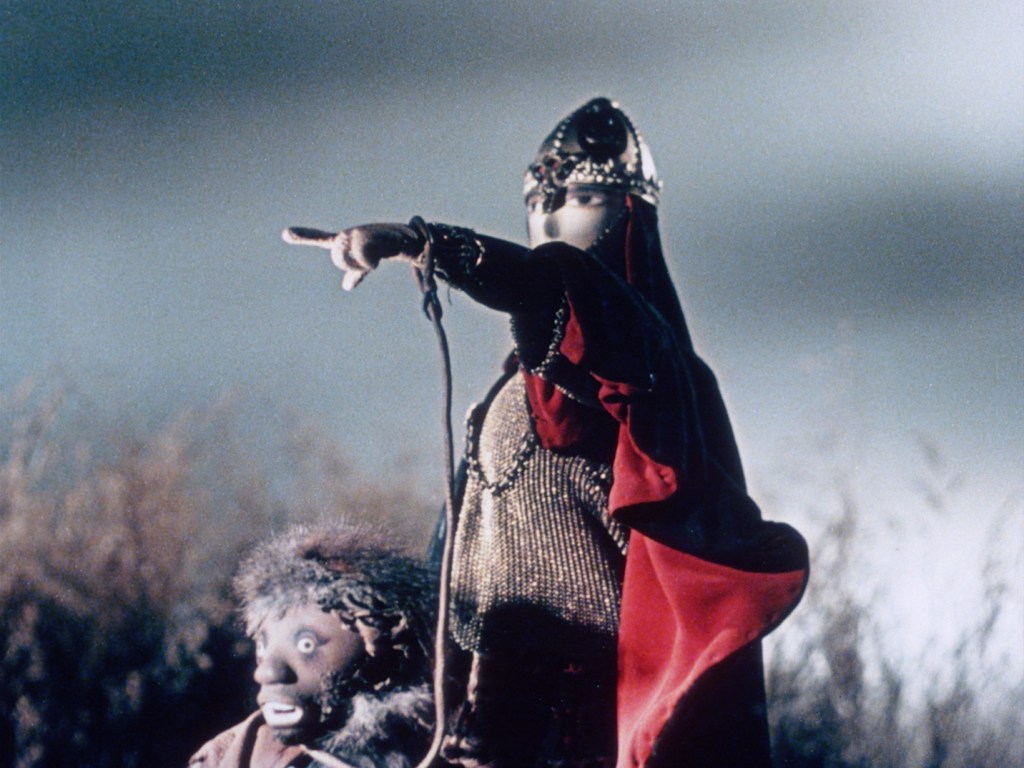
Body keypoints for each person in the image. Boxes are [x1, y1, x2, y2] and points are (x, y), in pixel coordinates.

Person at [284, 97, 809, 767]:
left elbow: (563, 290)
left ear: (632, 215)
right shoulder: (516, 385)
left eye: (586, 196)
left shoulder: (650, 363)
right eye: (541, 200)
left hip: (582, 711)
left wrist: (425, 243)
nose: (555, 217)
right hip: (484, 704)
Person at [187, 522, 435, 768]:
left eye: (307, 645)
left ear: (378, 655)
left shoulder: (433, 751)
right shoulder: (228, 755)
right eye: (263, 646)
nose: (265, 672)